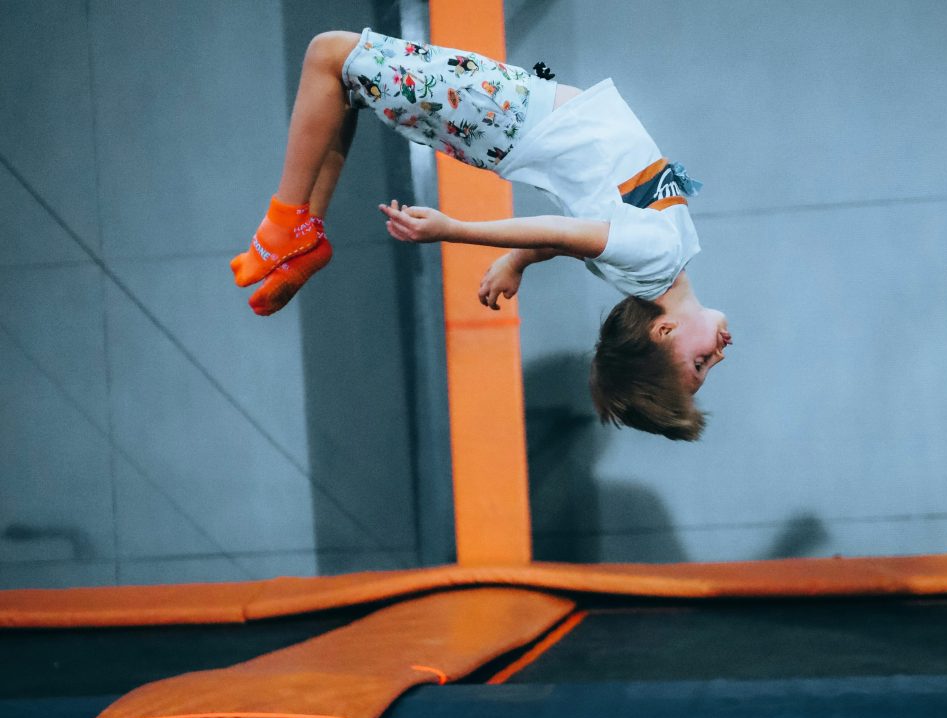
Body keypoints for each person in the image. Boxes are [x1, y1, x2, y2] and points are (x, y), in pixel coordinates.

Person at [231, 27, 731, 440]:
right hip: (512, 121)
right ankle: (306, 234)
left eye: (702, 361)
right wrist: (517, 262)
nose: (719, 353)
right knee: (348, 83)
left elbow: (559, 230)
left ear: (663, 332)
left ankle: (285, 221)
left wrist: (455, 228)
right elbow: (568, 237)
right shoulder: (659, 268)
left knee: (329, 53)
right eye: (708, 364)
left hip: (509, 117)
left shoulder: (657, 258)